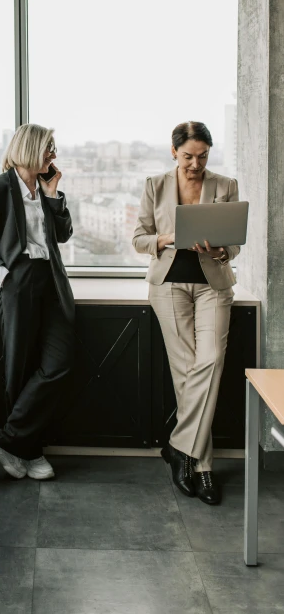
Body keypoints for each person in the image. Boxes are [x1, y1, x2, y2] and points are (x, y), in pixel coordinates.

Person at [133, 121, 240, 506]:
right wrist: (164, 238)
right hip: (169, 286)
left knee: (209, 363)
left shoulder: (225, 185)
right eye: (188, 156)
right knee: (186, 374)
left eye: (203, 156)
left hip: (213, 285)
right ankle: (203, 467)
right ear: (174, 152)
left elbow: (234, 244)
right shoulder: (155, 185)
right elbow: (138, 238)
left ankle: (179, 447)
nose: (196, 164)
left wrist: (221, 250)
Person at [0, 124, 75, 481]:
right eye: (49, 149)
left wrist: (54, 194)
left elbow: (62, 235)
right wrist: (3, 276)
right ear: (30, 149)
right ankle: (29, 453)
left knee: (58, 364)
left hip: (50, 283)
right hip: (17, 283)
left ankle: (7, 442)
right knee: (19, 370)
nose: (53, 156)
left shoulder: (45, 189)